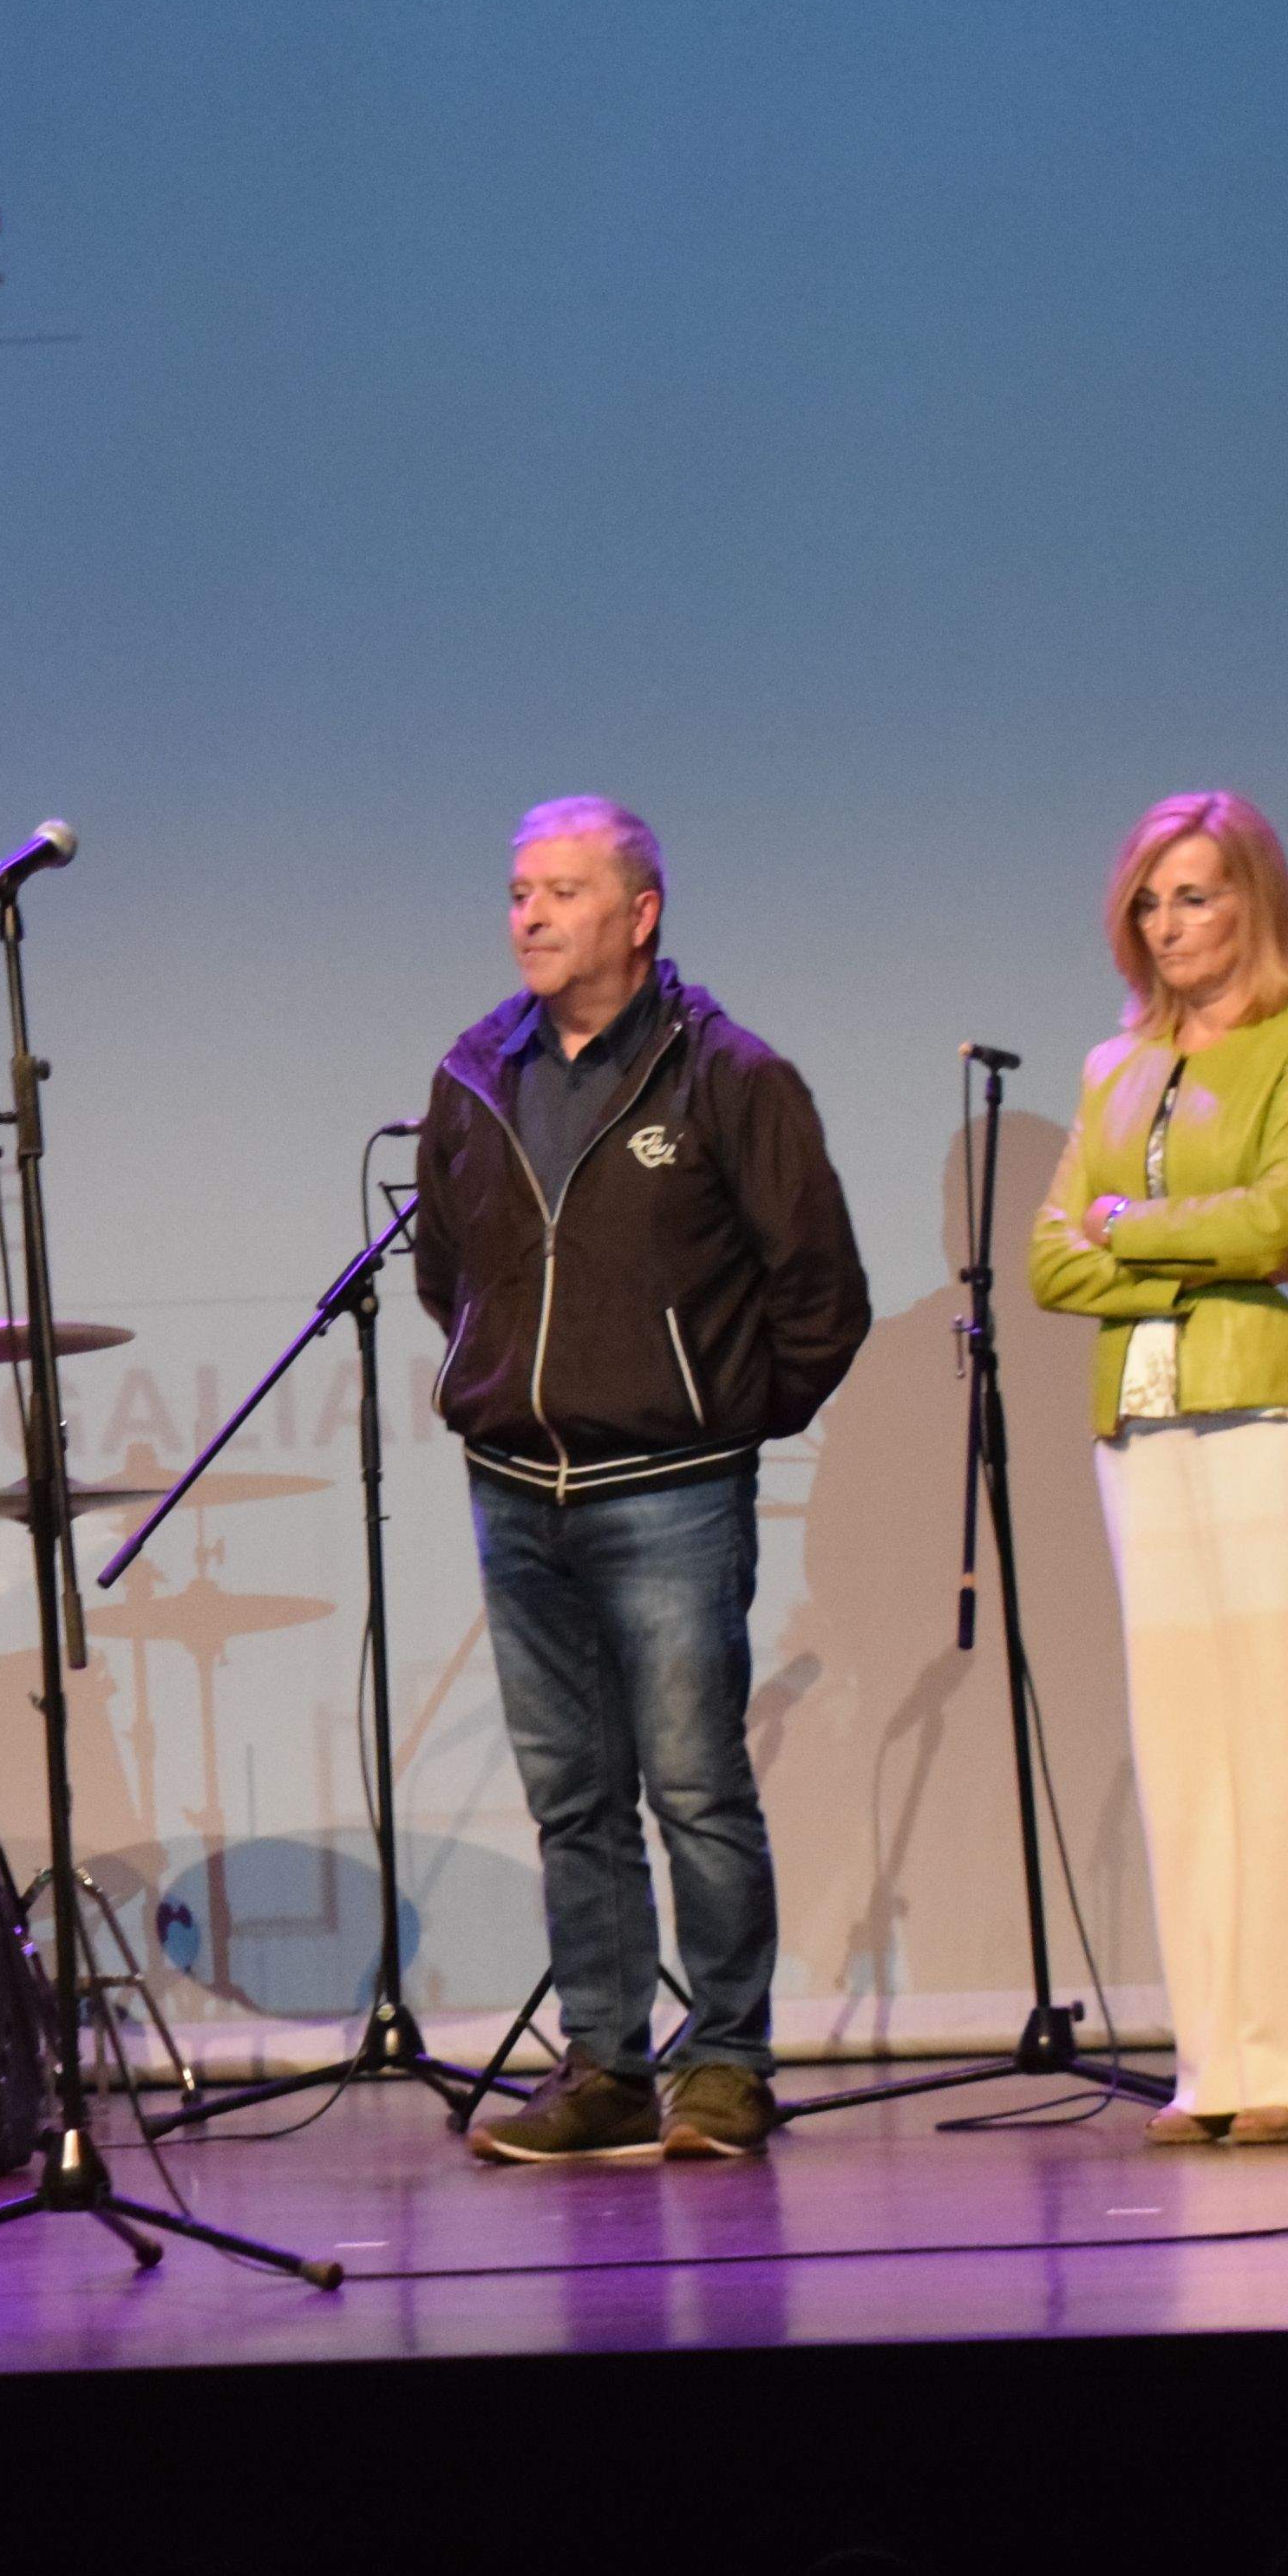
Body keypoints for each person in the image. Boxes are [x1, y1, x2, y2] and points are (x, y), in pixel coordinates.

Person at [426, 797, 871, 2166]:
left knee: (692, 1786)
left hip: (670, 1488)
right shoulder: (472, 1072)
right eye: (518, 893)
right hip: (515, 1487)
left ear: (640, 913)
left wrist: (724, 1411)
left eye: (562, 892)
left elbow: (821, 1293)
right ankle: (606, 2067)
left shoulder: (729, 1076)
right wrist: (492, 1377)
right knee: (574, 1799)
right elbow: (447, 1270)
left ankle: (727, 2063)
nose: (533, 918)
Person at [1028, 793, 1288, 2146]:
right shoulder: (1111, 1068)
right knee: (1186, 1753)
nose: (1171, 924)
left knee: (1284, 1745)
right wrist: (1170, 1240)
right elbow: (1056, 1258)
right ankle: (1215, 2063)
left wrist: (1135, 1231)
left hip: (1281, 1412)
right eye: (1153, 901)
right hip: (1147, 1423)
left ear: (1256, 904)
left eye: (1199, 896)